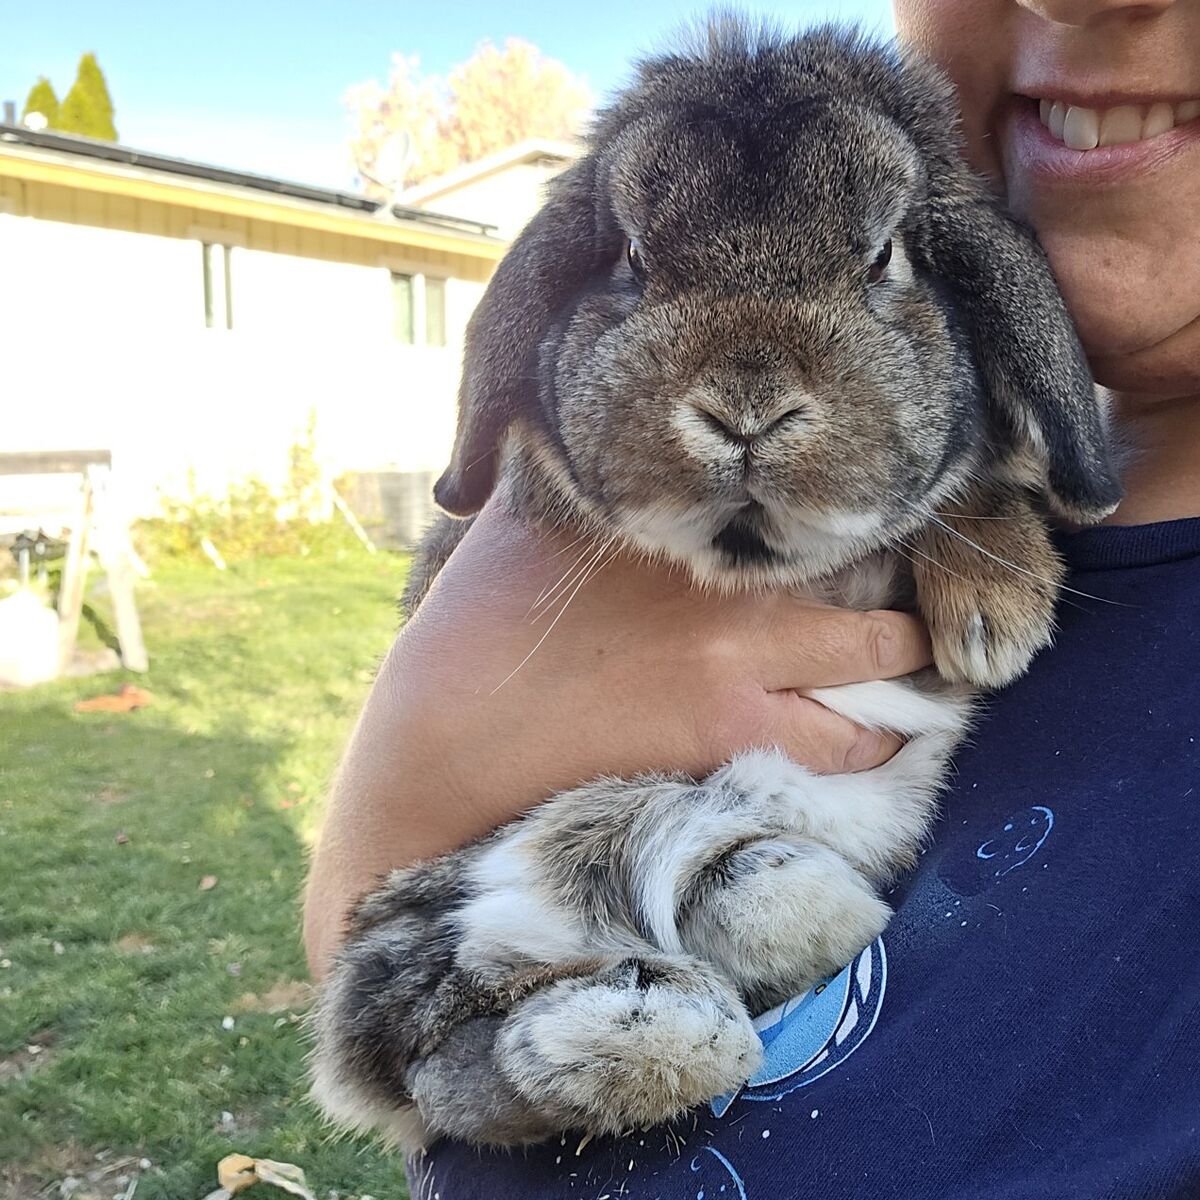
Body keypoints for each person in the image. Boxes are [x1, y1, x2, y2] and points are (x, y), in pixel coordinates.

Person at [304, 0, 1200, 1194]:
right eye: (637, 265)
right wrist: (407, 785)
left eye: (881, 265)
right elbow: (382, 981)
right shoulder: (510, 581)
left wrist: (981, 512)